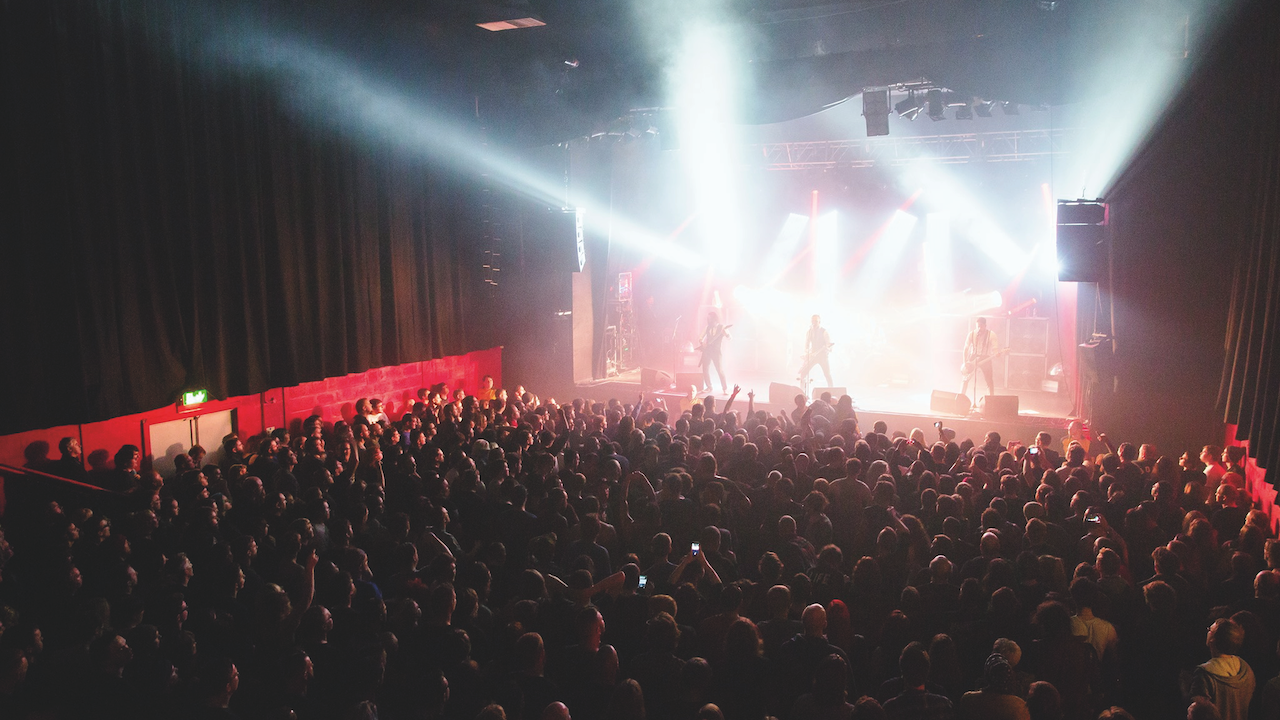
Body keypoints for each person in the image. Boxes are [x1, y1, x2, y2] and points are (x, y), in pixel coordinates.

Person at [1187, 618, 1255, 720]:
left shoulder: (1205, 673)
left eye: (1210, 630)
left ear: (1213, 640)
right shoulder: (1245, 668)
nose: (1208, 632)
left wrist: (1184, 688)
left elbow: (1197, 712)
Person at [961, 317, 998, 399]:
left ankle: (991, 400)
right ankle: (960, 397)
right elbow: (966, 348)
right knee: (965, 378)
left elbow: (995, 349)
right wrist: (965, 362)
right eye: (977, 326)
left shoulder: (991, 335)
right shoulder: (971, 334)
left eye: (981, 326)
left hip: (985, 358)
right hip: (973, 356)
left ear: (985, 325)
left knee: (989, 380)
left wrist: (996, 353)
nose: (979, 328)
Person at [698, 312, 730, 395]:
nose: (709, 320)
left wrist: (726, 333)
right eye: (708, 319)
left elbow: (730, 338)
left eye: (710, 318)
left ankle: (725, 388)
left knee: (719, 370)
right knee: (705, 369)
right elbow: (700, 337)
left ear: (714, 318)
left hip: (716, 352)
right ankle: (709, 387)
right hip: (707, 351)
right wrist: (702, 342)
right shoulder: (707, 327)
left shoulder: (722, 327)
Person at [800, 314, 834, 390]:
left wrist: (827, 348)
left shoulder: (824, 332)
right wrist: (807, 353)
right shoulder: (809, 331)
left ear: (819, 322)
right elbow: (806, 344)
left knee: (827, 374)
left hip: (822, 357)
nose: (814, 322)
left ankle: (832, 390)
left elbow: (829, 345)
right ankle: (801, 392)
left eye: (816, 321)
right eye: (812, 321)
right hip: (813, 356)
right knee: (803, 373)